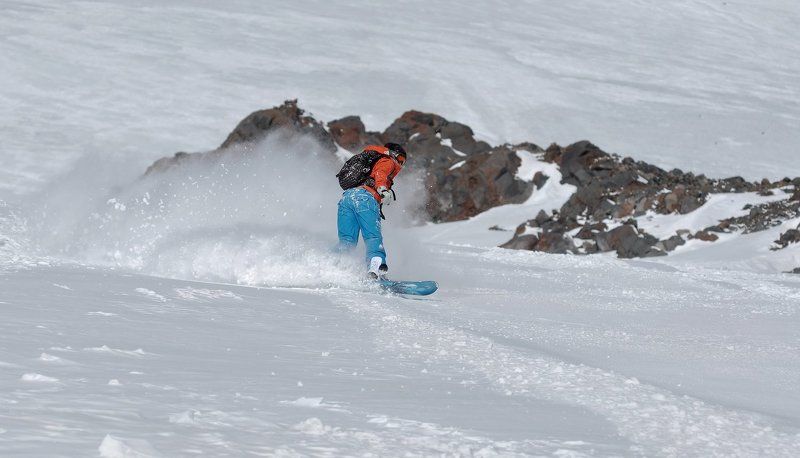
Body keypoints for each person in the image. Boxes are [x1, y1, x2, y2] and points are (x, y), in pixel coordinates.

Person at [336, 142, 407, 279]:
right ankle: (376, 271)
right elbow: (381, 173)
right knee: (373, 237)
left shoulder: (369, 161)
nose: (401, 165)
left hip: (347, 198)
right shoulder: (388, 160)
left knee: (347, 241)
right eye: (401, 160)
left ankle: (334, 266)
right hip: (365, 199)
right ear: (393, 153)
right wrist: (383, 189)